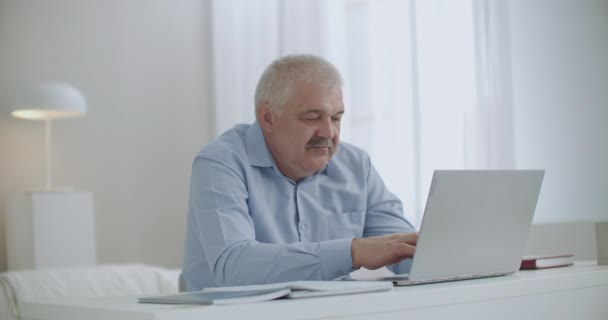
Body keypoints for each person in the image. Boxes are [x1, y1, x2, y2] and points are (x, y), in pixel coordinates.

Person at [182, 54, 418, 290]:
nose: (328, 133)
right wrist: (352, 251)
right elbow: (233, 266)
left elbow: (404, 250)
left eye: (336, 118)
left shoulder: (356, 165)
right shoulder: (220, 162)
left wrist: (439, 255)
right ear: (268, 118)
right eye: (312, 117)